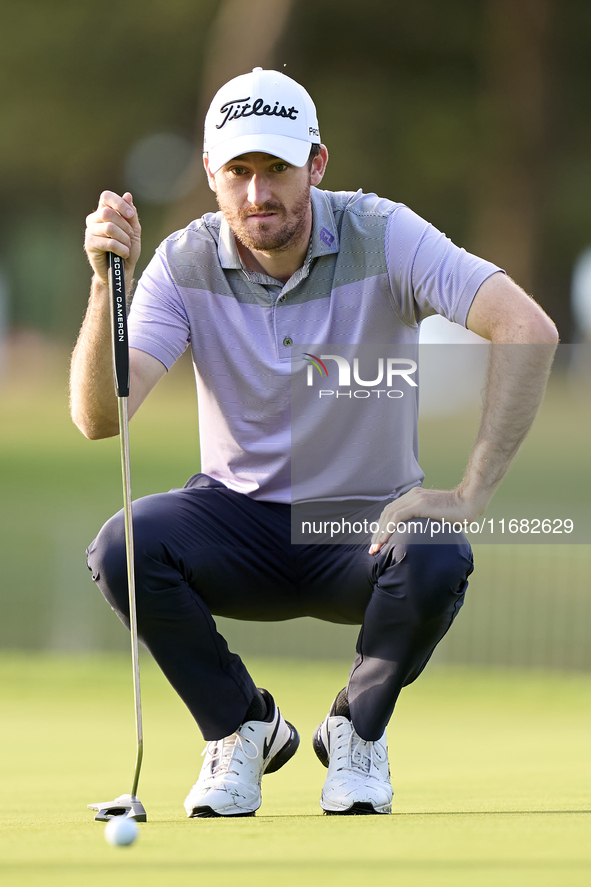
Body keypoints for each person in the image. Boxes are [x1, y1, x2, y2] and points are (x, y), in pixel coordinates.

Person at [70, 67, 558, 818]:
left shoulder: (384, 233)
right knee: (123, 547)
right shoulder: (181, 261)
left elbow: (526, 328)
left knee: (436, 550)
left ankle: (356, 732)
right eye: (238, 171)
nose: (258, 194)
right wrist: (110, 286)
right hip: (233, 519)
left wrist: (469, 494)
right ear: (210, 173)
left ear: (316, 164)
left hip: (359, 529)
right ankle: (241, 729)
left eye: (276, 169)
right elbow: (99, 418)